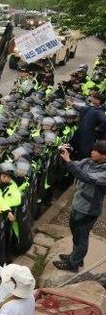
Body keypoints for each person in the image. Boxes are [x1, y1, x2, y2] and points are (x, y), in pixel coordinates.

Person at [53, 140, 106, 271]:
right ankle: (76, 257)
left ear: (104, 156)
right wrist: (66, 156)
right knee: (75, 232)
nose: (92, 152)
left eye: (96, 151)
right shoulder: (89, 161)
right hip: (78, 203)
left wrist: (69, 161)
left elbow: (86, 177)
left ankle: (73, 264)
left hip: (89, 209)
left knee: (82, 236)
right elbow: (75, 167)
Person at [71, 92, 106, 159]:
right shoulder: (92, 108)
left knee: (85, 152)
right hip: (83, 134)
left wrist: (99, 128)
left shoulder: (99, 111)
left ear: (98, 101)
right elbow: (82, 109)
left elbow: (104, 121)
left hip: (88, 137)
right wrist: (73, 105)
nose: (92, 99)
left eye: (94, 98)